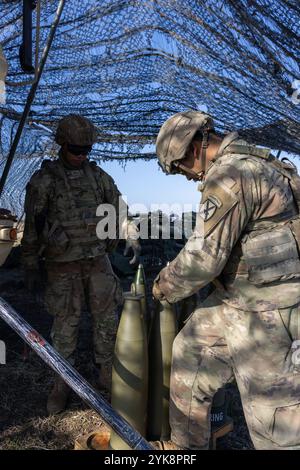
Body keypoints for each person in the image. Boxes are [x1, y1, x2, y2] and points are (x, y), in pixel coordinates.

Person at [152, 110, 300, 450]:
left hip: (271, 311)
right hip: (241, 297)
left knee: (275, 419)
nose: (186, 177)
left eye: (178, 168)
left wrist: (164, 285)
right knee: (190, 353)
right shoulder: (250, 161)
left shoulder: (230, 175)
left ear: (189, 150)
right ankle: (185, 448)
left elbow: (203, 260)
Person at [22, 114, 138, 414]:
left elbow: (119, 207)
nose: (82, 155)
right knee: (66, 326)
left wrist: (129, 231)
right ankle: (62, 381)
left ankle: (107, 375)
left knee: (107, 321)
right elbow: (33, 225)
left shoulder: (98, 177)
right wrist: (30, 264)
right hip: (62, 264)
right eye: (76, 149)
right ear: (62, 144)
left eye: (87, 149)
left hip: (97, 261)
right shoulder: (45, 180)